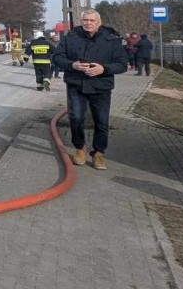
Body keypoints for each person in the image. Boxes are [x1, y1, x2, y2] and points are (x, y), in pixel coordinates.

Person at [52, 9, 129, 170]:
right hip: (76, 85)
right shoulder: (70, 38)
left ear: (99, 23)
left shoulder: (111, 40)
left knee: (101, 122)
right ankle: (80, 148)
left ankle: (99, 153)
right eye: (85, 20)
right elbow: (57, 57)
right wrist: (72, 65)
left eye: (92, 20)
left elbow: (122, 64)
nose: (88, 23)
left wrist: (104, 69)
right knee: (76, 119)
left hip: (101, 86)